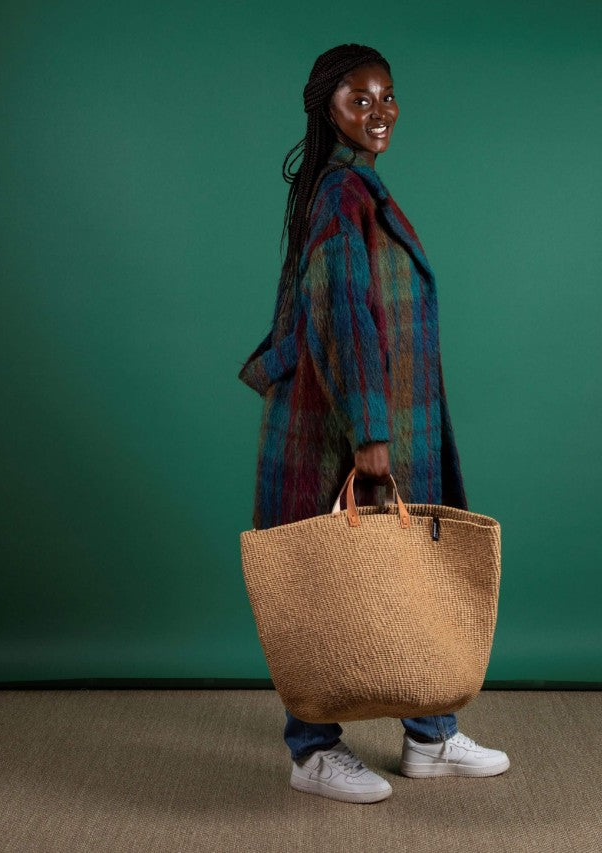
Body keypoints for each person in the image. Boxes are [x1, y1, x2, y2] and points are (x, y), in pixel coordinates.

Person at [238, 43, 510, 804]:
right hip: (341, 422)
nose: (379, 112)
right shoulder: (339, 194)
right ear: (326, 107)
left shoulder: (356, 187)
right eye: (359, 99)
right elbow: (344, 318)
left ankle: (430, 735)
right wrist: (370, 435)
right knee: (325, 583)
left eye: (387, 96)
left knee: (405, 571)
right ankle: (312, 751)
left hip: (387, 413)